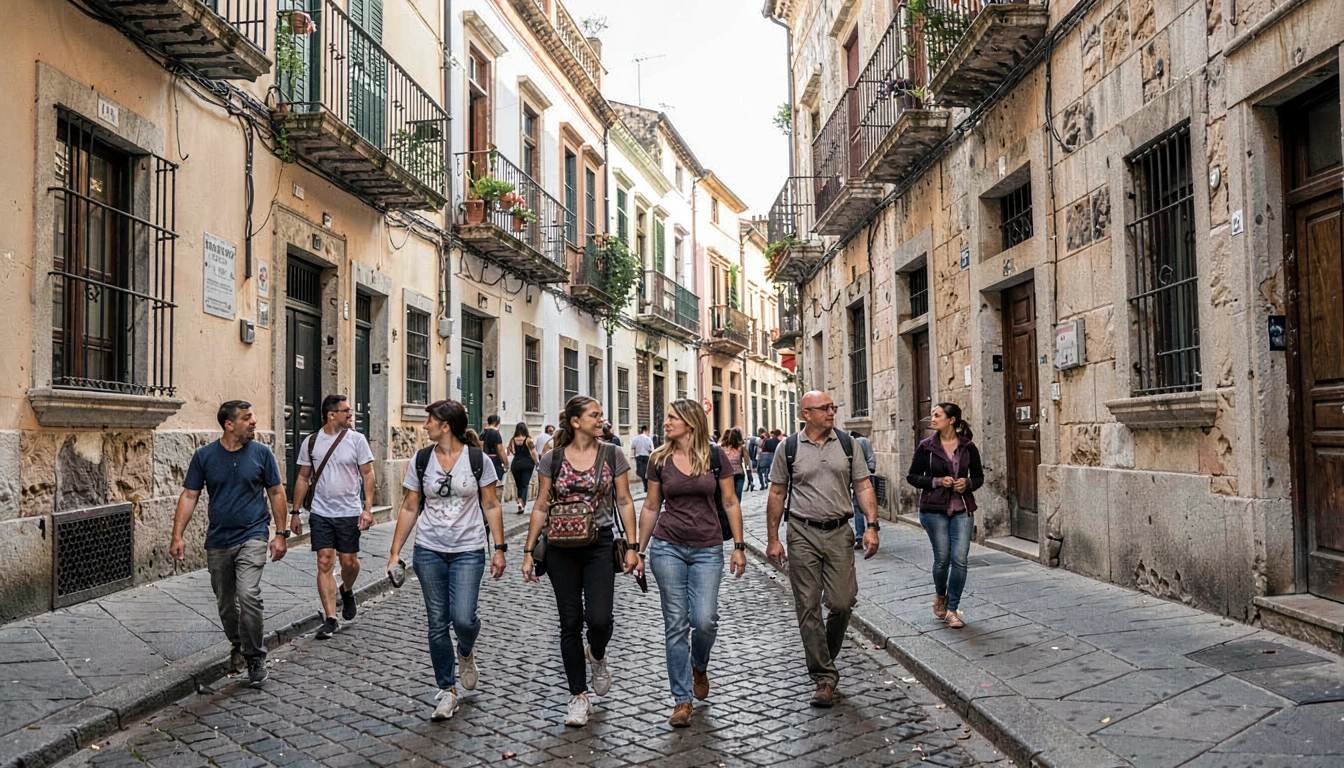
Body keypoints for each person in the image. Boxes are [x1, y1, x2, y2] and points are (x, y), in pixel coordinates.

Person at [521, 396, 641, 727]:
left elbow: (626, 500)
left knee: (599, 619)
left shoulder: (612, 454)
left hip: (600, 543)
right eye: (594, 415)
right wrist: (529, 550)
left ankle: (597, 654)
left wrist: (633, 546)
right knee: (570, 622)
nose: (601, 419)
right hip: (560, 546)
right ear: (575, 421)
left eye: (602, 414)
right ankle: (578, 695)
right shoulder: (553, 458)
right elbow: (541, 505)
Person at [386, 400, 507, 721]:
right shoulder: (422, 459)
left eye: (430, 420)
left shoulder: (478, 460)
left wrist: (500, 547)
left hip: (468, 549)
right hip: (428, 550)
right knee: (437, 623)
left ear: (446, 426)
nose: (425, 425)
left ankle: (465, 651)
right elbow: (411, 505)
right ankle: (446, 690)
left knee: (464, 619)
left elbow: (491, 504)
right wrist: (395, 551)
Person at [633, 399, 747, 727]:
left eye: (672, 418)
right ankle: (681, 700)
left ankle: (699, 663)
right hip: (667, 547)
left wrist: (739, 546)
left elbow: (729, 500)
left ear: (690, 423)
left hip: (708, 548)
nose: (665, 422)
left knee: (705, 618)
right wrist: (638, 551)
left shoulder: (715, 457)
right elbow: (652, 506)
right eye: (666, 416)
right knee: (676, 622)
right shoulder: (658, 458)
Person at [765, 391, 880, 708]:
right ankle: (824, 677)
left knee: (843, 602)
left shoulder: (847, 444)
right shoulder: (787, 448)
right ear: (806, 414)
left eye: (833, 406)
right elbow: (776, 493)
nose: (832, 412)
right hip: (801, 531)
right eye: (824, 408)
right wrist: (773, 538)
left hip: (840, 531)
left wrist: (871, 526)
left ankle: (824, 655)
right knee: (808, 605)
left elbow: (864, 485)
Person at [170, 400, 290, 688]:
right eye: (247, 417)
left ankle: (255, 656)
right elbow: (189, 495)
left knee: (249, 594)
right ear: (229, 424)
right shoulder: (205, 456)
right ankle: (239, 645)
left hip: (253, 534)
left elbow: (275, 492)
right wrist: (177, 535)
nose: (254, 421)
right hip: (219, 539)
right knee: (226, 605)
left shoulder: (262, 453)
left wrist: (281, 534)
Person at [289, 395, 376, 639]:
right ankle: (330, 618)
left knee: (349, 562)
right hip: (321, 512)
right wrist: (295, 512)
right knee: (325, 561)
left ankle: (346, 589)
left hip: (349, 511)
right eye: (346, 410)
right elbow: (303, 477)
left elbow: (368, 474)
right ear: (331, 415)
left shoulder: (357, 440)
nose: (351, 413)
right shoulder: (311, 442)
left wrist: (367, 508)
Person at [906, 403, 983, 630]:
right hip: (933, 510)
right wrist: (937, 481)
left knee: (960, 559)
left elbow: (978, 477)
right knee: (942, 559)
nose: (933, 418)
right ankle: (940, 594)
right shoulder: (926, 447)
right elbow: (912, 476)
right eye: (933, 415)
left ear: (951, 420)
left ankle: (952, 609)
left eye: (937, 415)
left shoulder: (968, 447)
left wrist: (966, 483)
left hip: (962, 509)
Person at [848, 430, 878, 550]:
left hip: (858, 477)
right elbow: (871, 457)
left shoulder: (856, 442)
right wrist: (871, 470)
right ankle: (873, 527)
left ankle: (860, 536)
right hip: (865, 476)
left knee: (858, 507)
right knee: (870, 505)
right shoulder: (863, 441)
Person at [508, 422, 539, 514]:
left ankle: (519, 502)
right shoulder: (529, 440)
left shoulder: (513, 440)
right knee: (525, 485)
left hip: (516, 464)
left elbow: (511, 451)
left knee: (518, 485)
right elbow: (533, 452)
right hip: (527, 463)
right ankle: (522, 504)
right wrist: (537, 463)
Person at [718, 428, 748, 502]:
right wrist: (748, 470)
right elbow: (747, 461)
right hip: (738, 473)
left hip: (726, 474)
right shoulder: (741, 447)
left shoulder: (722, 447)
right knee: (737, 498)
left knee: (726, 497)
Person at [482, 414, 508, 483]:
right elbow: (500, 450)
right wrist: (506, 464)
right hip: (495, 461)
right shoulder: (496, 434)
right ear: (497, 423)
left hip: (484, 459)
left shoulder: (483, 433)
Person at [631, 425, 654, 494]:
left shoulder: (635, 438)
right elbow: (651, 449)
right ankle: (646, 486)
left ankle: (646, 486)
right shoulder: (648, 438)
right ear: (646, 430)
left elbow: (633, 447)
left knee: (640, 472)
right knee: (646, 472)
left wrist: (634, 455)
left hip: (638, 456)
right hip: (646, 456)